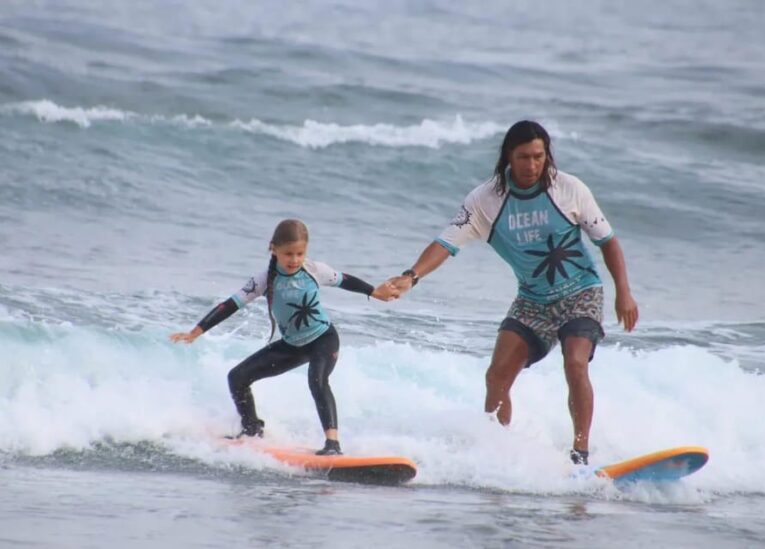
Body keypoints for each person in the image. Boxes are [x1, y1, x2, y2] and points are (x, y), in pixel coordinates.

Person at [386, 120, 638, 465]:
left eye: (539, 156)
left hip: (581, 291)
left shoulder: (569, 189)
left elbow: (608, 242)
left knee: (575, 363)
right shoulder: (485, 200)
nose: (533, 165)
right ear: (508, 156)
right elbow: (445, 242)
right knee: (497, 376)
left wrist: (623, 292)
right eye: (524, 157)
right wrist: (411, 276)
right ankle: (496, 450)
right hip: (532, 299)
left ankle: (580, 452)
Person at [171, 219, 398, 455]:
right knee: (237, 377)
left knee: (318, 381)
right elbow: (231, 304)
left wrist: (374, 292)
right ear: (274, 249)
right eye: (289, 254)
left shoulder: (314, 270)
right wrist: (196, 331)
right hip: (293, 346)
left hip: (323, 339)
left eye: (300, 253)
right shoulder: (264, 280)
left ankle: (333, 445)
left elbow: (345, 280)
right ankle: (252, 431)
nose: (295, 260)